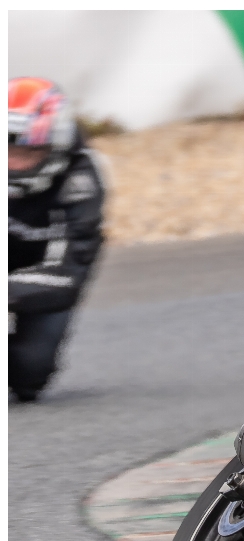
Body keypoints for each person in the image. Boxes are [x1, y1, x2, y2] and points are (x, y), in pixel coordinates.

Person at [8, 77, 107, 401]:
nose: (13, 162)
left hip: (46, 271)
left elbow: (70, 274)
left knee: (30, 372)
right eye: (6, 148)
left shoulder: (82, 182)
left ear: (55, 147)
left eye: (26, 151)